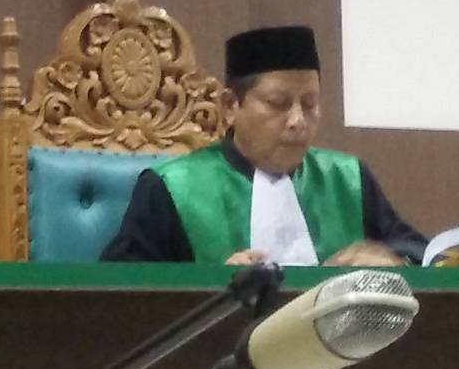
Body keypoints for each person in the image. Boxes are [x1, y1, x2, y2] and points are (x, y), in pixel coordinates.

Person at [100, 24, 427, 266]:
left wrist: (388, 259)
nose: (298, 120)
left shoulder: (348, 178)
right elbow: (122, 292)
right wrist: (207, 288)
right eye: (278, 103)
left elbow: (426, 256)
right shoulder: (172, 187)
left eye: (310, 103)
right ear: (230, 106)